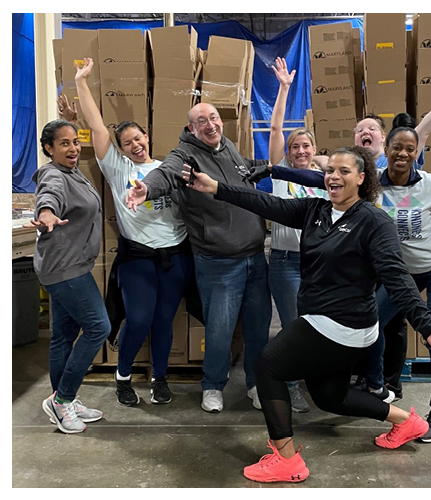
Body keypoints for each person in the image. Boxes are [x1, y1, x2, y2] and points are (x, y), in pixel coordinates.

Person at [181, 146, 431, 483]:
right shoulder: (316, 210)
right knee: (331, 396)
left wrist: (427, 324)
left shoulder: (374, 222)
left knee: (267, 365)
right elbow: (269, 204)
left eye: (344, 171)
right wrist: (216, 188)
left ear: (361, 178)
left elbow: (396, 277)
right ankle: (406, 422)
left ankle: (286, 458)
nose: (334, 177)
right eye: (330, 171)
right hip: (322, 320)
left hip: (345, 324)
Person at [248, 61, 431, 402]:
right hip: (363, 264)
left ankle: (417, 398)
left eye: (373, 129)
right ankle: (369, 382)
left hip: (424, 264)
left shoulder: (397, 166)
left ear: (387, 140)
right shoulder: (347, 173)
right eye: (360, 130)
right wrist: (274, 165)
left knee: (409, 329)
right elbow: (307, 169)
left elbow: (423, 130)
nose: (367, 134)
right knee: (366, 322)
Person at [255, 124, 431, 444]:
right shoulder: (374, 182)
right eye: (397, 147)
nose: (403, 153)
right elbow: (316, 179)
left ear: (417, 152)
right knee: (371, 319)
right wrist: (273, 170)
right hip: (403, 269)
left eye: (410, 148)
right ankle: (376, 385)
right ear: (387, 151)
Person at [126, 102, 272, 413]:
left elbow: (241, 172)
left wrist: (270, 166)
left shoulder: (227, 146)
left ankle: (256, 383)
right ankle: (213, 385)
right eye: (201, 121)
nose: (210, 125)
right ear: (191, 128)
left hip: (255, 258)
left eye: (214, 118)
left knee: (258, 328)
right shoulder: (186, 156)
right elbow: (164, 174)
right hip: (219, 262)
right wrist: (146, 190)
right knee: (219, 329)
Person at [74, 58, 193, 407]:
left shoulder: (167, 166)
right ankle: (123, 376)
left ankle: (159, 379)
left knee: (163, 320)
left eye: (138, 137)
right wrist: (83, 82)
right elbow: (97, 128)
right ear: (121, 149)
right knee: (138, 318)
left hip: (175, 256)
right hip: (137, 258)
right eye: (127, 142)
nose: (135, 145)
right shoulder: (116, 167)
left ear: (147, 136)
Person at [25, 119, 110, 434]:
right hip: (65, 269)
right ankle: (63, 399)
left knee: (62, 335)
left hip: (65, 265)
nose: (73, 148)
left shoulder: (72, 172)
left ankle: (64, 402)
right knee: (98, 326)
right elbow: (48, 196)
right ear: (49, 148)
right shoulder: (53, 174)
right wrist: (45, 212)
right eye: (64, 143)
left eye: (75, 141)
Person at [267, 57, 330, 413]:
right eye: (296, 147)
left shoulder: (325, 180)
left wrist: (325, 163)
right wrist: (284, 89)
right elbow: (275, 131)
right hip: (286, 263)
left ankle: (317, 381)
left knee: (318, 325)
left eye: (307, 146)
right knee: (292, 326)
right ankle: (290, 385)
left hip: (318, 263)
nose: (301, 151)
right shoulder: (281, 176)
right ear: (289, 153)